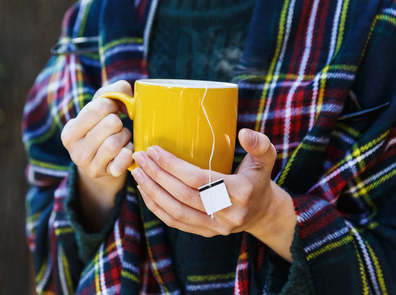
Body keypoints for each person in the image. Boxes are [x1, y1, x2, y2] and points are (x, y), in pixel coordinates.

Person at [22, 0, 396, 294]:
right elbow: (51, 259)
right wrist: (98, 180)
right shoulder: (94, 20)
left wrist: (270, 216)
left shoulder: (369, 21)